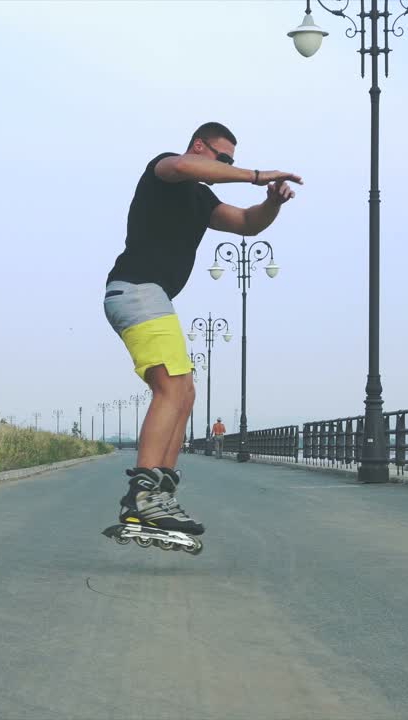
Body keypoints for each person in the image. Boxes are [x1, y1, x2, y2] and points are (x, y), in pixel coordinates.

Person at [102, 122, 299, 537]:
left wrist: (272, 203)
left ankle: (160, 493)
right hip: (137, 290)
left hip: (150, 297)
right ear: (198, 146)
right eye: (223, 158)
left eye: (231, 161)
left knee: (185, 393)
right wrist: (257, 174)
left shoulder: (199, 198)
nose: (228, 165)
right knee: (172, 389)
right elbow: (187, 167)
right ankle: (143, 496)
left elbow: (246, 222)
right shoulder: (165, 169)